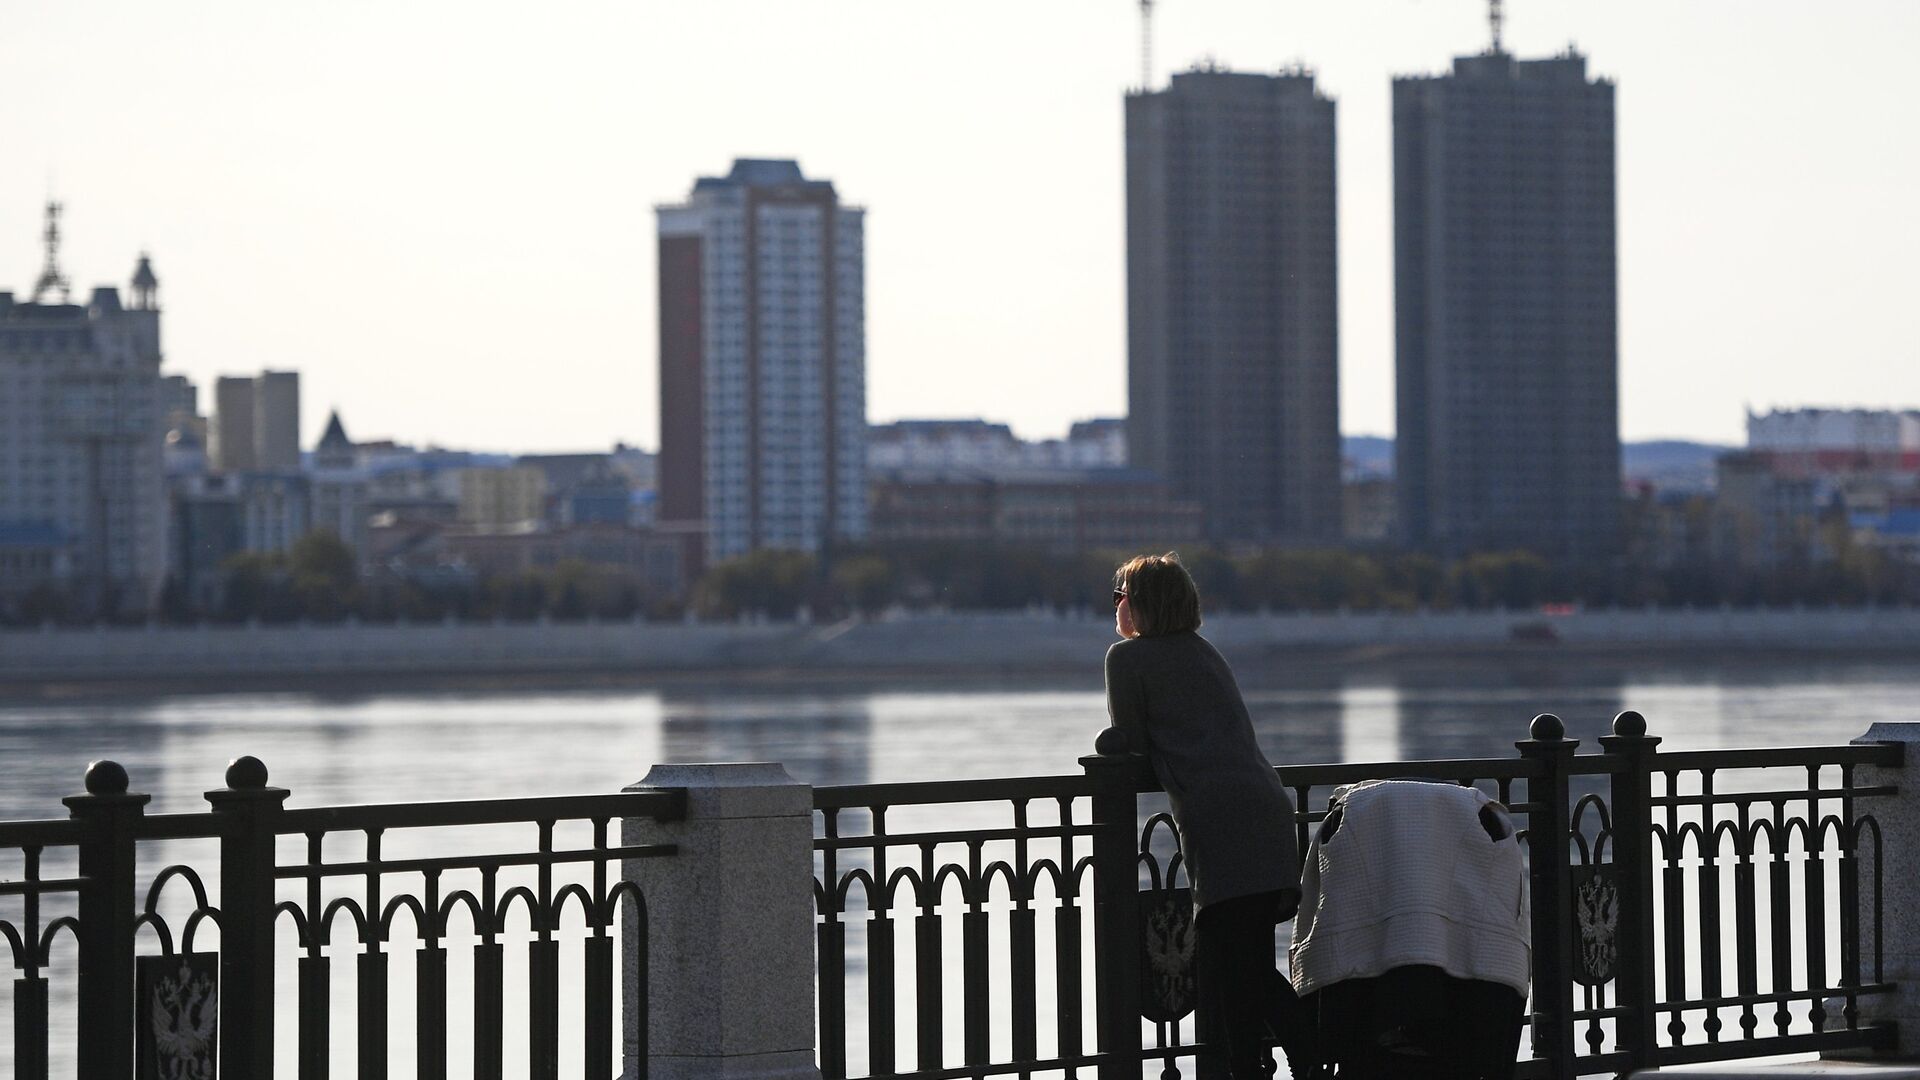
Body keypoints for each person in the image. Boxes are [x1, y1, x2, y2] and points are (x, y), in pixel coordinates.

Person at [1103, 552, 1311, 1078]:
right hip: (1265, 808)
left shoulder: (1125, 660)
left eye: (1120, 596)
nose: (1116, 607)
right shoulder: (1206, 652)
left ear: (1140, 604)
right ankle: (1273, 1059)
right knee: (1247, 963)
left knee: (1233, 967)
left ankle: (1317, 1047)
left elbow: (1128, 745)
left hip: (1217, 820)